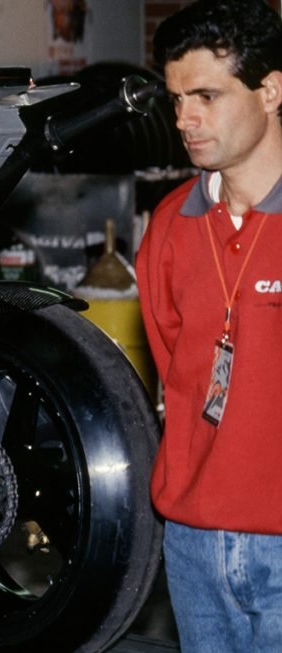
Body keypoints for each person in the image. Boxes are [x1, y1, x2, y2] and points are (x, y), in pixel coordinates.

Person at [136, 0, 282, 651]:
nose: (184, 119)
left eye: (207, 96)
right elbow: (176, 369)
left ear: (271, 89)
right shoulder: (169, 226)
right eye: (176, 99)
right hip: (192, 542)